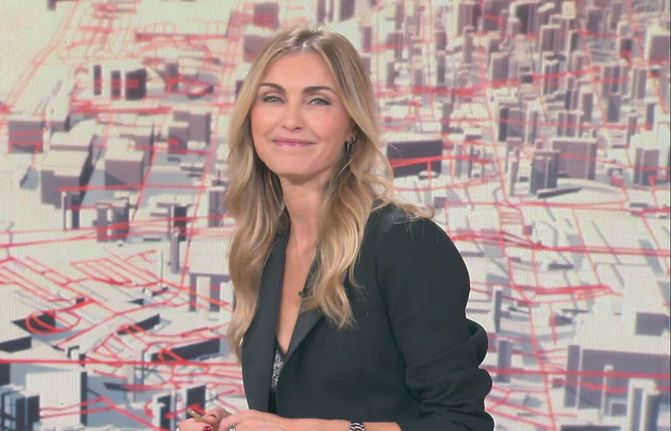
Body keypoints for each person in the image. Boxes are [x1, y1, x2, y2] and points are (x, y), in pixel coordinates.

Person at [179, 27, 493, 431]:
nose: (291, 120)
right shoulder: (264, 248)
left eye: (318, 101)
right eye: (273, 98)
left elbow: (461, 424)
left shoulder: (406, 245)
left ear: (352, 125)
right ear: (251, 117)